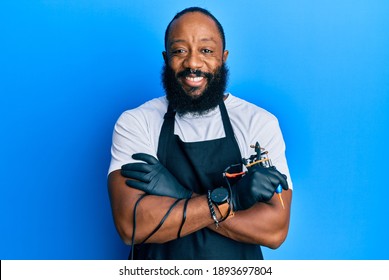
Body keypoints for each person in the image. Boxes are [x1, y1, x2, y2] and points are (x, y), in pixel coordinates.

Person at [108, 7, 293, 260]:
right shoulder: (136, 122)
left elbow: (274, 230)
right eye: (180, 51)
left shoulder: (258, 123)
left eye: (206, 51)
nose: (193, 63)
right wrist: (233, 200)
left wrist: (179, 194)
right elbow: (132, 225)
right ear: (166, 58)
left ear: (223, 57)